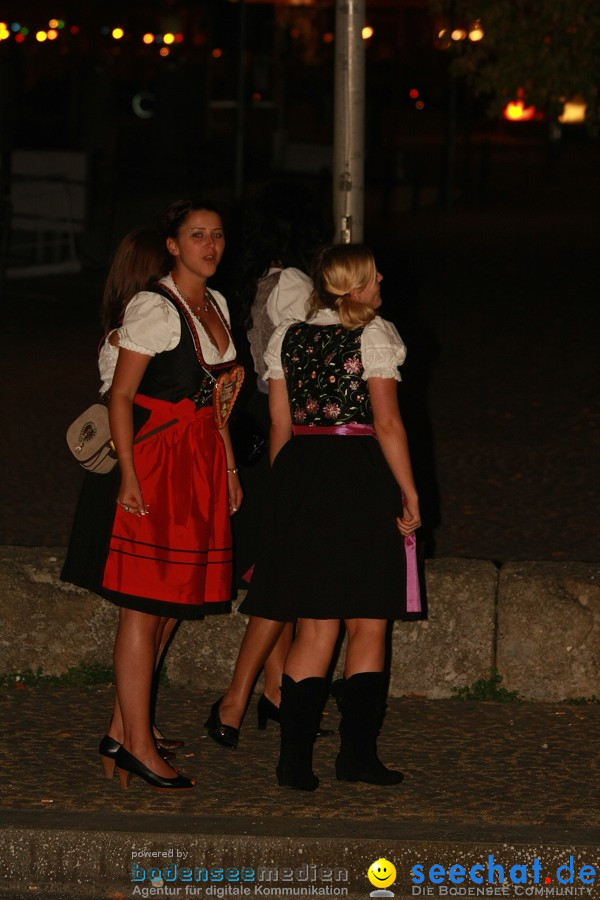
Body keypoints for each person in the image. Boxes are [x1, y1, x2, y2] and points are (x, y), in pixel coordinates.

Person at [61, 201, 242, 791]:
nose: (209, 246)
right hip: (159, 459)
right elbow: (121, 397)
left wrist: (232, 468)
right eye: (196, 236)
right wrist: (132, 479)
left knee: (171, 600)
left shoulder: (216, 304)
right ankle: (136, 743)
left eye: (216, 236)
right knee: (143, 603)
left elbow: (220, 402)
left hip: (202, 459)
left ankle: (123, 728)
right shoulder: (153, 307)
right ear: (172, 244)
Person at [238, 243, 421, 791]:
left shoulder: (286, 337)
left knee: (315, 623)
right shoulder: (375, 334)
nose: (382, 276)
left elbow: (279, 427)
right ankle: (356, 755)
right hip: (360, 474)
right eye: (373, 273)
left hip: (302, 474)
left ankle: (293, 761)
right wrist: (410, 492)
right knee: (367, 619)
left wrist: (282, 494)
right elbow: (387, 424)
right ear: (355, 285)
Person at [205, 184, 323, 748]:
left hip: (255, 427)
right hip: (283, 430)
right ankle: (239, 697)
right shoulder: (292, 283)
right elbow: (305, 365)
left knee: (272, 573)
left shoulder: (250, 283)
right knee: (279, 576)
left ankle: (273, 690)